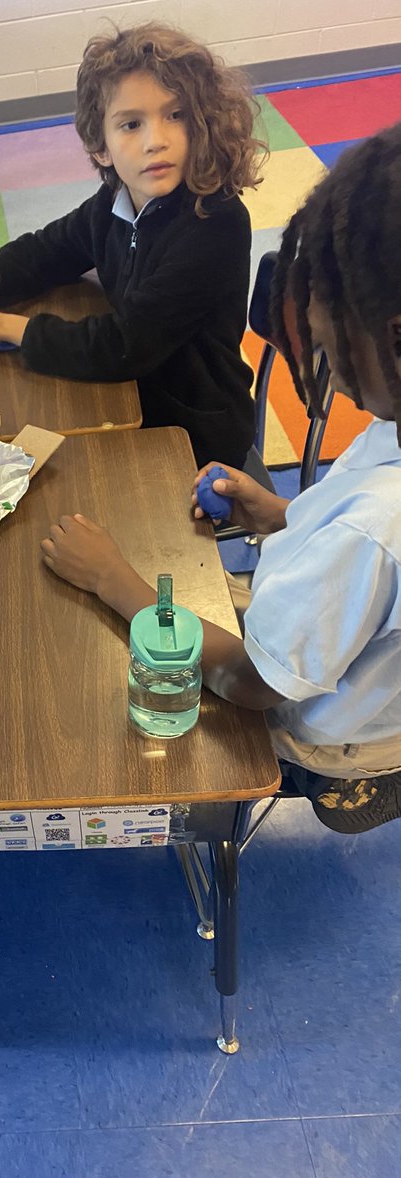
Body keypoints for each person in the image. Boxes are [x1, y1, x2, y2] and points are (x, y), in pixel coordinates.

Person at [40, 123, 401, 835]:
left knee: (82, 705)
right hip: (320, 646)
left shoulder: (373, 528)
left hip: (315, 728)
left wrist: (115, 579)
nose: (316, 346)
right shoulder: (386, 455)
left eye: (328, 340)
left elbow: (252, 685)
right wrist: (277, 514)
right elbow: (357, 563)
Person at [0, 23, 265, 468]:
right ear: (100, 146)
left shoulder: (216, 224)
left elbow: (123, 345)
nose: (155, 140)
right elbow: (52, 248)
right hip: (133, 399)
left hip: (191, 435)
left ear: (202, 122)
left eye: (175, 115)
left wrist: (3, 328)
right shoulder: (115, 201)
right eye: (131, 124)